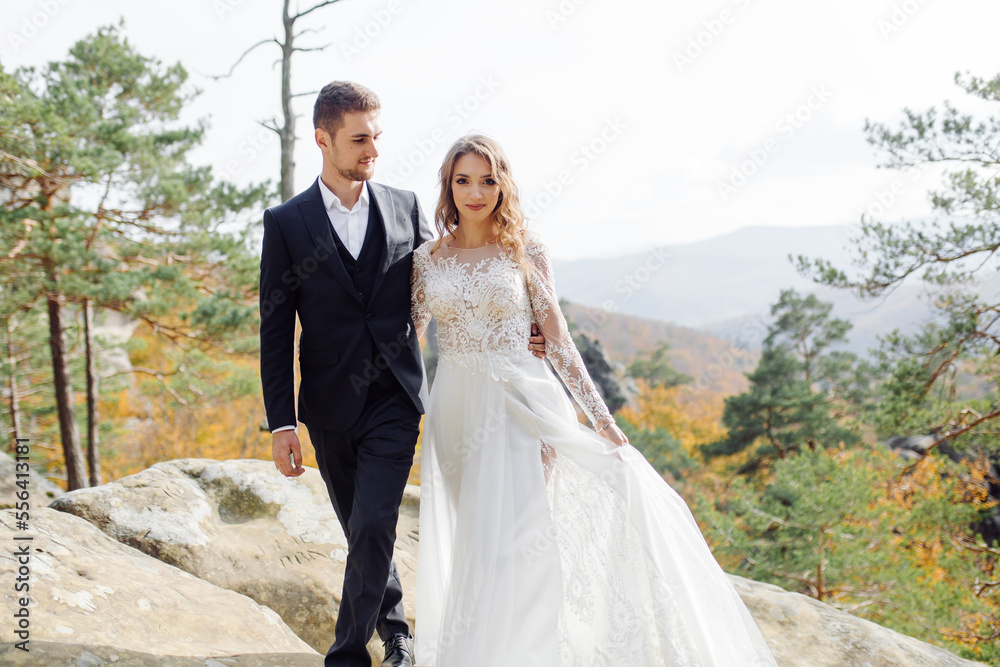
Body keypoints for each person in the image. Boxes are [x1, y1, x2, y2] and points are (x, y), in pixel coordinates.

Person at [411, 135, 779, 666]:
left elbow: (555, 332)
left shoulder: (525, 248)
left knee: (521, 537)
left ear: (503, 184)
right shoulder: (428, 259)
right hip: (456, 413)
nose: (476, 192)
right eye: (463, 180)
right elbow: (410, 336)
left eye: (488, 180)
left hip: (523, 405)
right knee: (478, 541)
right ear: (448, 184)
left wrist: (601, 419)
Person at [258, 84, 545, 667]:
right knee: (361, 531)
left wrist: (520, 329)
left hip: (395, 396)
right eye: (360, 139)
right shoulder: (286, 223)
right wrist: (281, 422)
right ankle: (395, 631)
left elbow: (446, 288)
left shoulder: (404, 206)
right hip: (329, 405)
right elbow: (274, 328)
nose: (373, 150)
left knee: (374, 522)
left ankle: (345, 656)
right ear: (323, 139)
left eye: (377, 137)